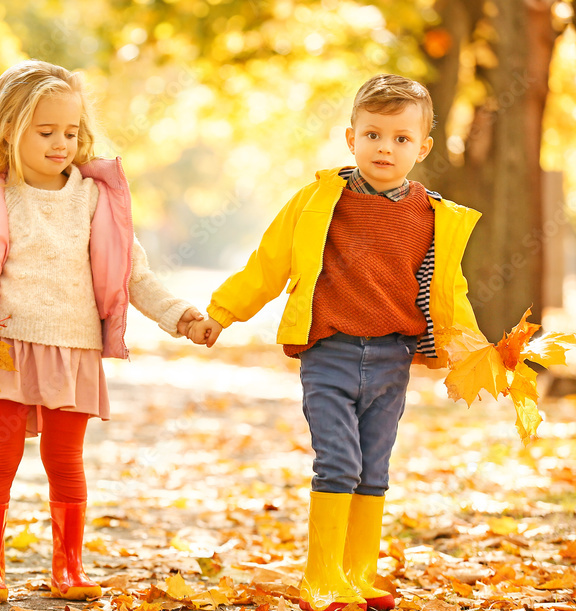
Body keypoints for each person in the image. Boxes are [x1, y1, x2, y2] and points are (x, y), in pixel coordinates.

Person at [189, 74, 485, 611]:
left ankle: (358, 574)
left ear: (422, 148)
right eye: (373, 135)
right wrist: (221, 313)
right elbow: (268, 263)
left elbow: (449, 291)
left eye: (400, 138)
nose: (385, 148)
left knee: (374, 465)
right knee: (338, 461)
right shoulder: (317, 201)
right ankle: (321, 576)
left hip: (394, 355)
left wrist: (475, 353)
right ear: (351, 138)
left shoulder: (433, 216)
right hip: (329, 350)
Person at [0, 60, 204, 602]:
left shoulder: (92, 199)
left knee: (65, 460)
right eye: (46, 132)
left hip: (74, 348)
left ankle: (68, 567)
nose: (61, 143)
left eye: (70, 131)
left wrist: (179, 315)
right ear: (11, 129)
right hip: (7, 349)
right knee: (0, 453)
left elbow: (134, 274)